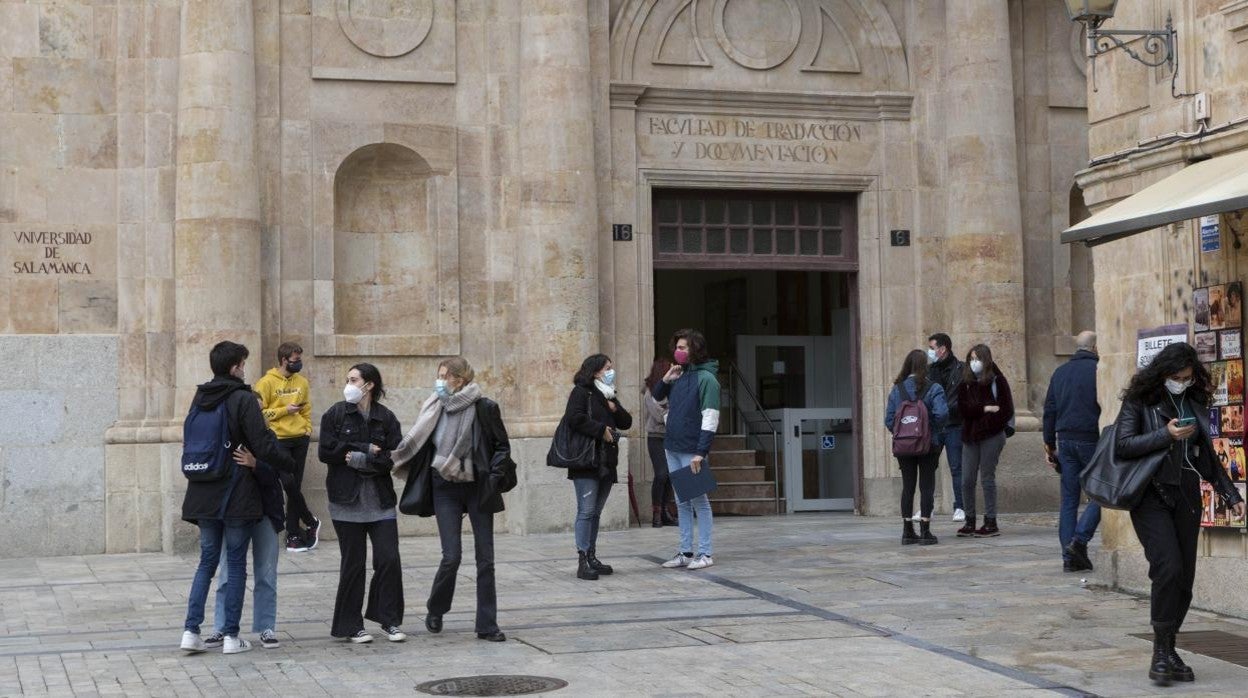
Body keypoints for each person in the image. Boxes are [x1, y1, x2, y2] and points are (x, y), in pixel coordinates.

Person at [1113, 342, 1244, 684]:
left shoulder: (1194, 401)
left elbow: (1206, 458)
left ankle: (1169, 648)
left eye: (1187, 377)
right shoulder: (1140, 400)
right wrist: (1165, 435)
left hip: (1186, 496)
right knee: (1167, 567)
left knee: (1184, 581)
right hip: (1151, 495)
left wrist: (1230, 495)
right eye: (1176, 377)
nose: (1181, 382)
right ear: (1162, 373)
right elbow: (1123, 445)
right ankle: (1159, 652)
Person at [180, 341, 294, 655]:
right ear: (235, 367)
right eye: (243, 363)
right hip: (235, 492)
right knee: (236, 564)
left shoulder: (200, 396)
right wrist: (289, 462)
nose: (244, 369)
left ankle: (191, 631)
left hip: (202, 490)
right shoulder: (242, 397)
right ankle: (231, 636)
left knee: (206, 564)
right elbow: (263, 443)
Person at [390, 357, 513, 643]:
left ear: (460, 379)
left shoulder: (484, 407)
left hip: (477, 485)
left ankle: (487, 624)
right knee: (451, 556)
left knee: (486, 559)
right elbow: (420, 443)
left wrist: (493, 478)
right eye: (439, 375)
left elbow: (501, 447)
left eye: (445, 376)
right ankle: (436, 607)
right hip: (443, 485)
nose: (440, 381)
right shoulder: (434, 406)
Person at [318, 363, 405, 644]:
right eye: (347, 379)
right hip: (346, 501)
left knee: (389, 559)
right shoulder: (335, 414)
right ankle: (350, 625)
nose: (349, 385)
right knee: (353, 564)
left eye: (354, 380)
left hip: (380, 501)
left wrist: (359, 460)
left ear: (369, 385)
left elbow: (393, 457)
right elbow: (325, 452)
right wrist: (364, 449)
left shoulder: (386, 418)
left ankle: (388, 620)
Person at [201, 396, 288, 651]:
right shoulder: (228, 440)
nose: (256, 415)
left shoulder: (270, 439)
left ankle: (266, 627)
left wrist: (255, 464)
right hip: (236, 515)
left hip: (265, 512)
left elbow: (280, 475)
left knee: (266, 572)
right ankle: (222, 626)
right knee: (227, 573)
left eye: (259, 410)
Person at [563, 353, 633, 581]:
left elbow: (626, 422)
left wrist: (615, 410)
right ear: (594, 371)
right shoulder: (581, 392)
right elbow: (574, 418)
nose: (611, 371)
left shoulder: (608, 393)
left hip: (606, 461)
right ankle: (582, 559)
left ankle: (592, 555)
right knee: (586, 510)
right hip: (587, 459)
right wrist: (600, 429)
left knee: (596, 512)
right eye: (607, 368)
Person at [655, 329, 721, 571]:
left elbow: (710, 418)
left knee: (699, 501)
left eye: (684, 348)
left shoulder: (707, 379)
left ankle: (705, 552)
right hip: (672, 445)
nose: (678, 351)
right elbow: (657, 397)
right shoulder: (680, 375)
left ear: (695, 350)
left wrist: (700, 452)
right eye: (677, 347)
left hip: (691, 448)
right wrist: (666, 378)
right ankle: (685, 551)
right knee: (682, 500)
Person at [1042, 331, 1103, 573]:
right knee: (1102, 492)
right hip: (1091, 439)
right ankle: (1079, 540)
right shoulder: (1098, 370)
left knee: (1069, 500)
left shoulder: (1060, 373)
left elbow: (1049, 410)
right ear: (1095, 347)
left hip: (1065, 441)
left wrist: (1049, 444)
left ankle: (1069, 557)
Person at [254, 342, 319, 553]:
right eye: (295, 360)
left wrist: (307, 428)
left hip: (300, 438)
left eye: (300, 359)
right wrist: (284, 410)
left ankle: (293, 534)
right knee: (288, 484)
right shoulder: (266, 383)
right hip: (278, 440)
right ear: (284, 360)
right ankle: (310, 520)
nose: (298, 363)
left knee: (295, 486)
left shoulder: (302, 382)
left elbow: (307, 409)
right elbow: (259, 414)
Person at [884, 349, 948, 545]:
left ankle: (907, 531)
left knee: (908, 486)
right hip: (928, 445)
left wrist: (903, 435)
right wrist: (930, 431)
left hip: (904, 446)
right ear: (924, 366)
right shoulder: (934, 388)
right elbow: (942, 414)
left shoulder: (897, 389)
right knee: (926, 486)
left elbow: (889, 420)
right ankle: (925, 531)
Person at [956, 344, 1014, 538]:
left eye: (977, 359)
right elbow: (963, 410)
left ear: (986, 360)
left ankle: (991, 521)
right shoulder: (965, 382)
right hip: (970, 436)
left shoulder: (998, 381)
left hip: (991, 435)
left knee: (987, 478)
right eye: (971, 359)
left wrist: (986, 418)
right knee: (966, 480)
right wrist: (985, 409)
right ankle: (970, 520)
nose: (974, 363)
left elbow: (1005, 410)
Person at [928, 333, 966, 522]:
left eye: (932, 348)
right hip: (935, 426)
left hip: (954, 425)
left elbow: (964, 398)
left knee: (956, 466)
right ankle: (927, 507)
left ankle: (960, 506)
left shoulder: (960, 369)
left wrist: (946, 410)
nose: (930, 352)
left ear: (942, 349)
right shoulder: (929, 371)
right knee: (928, 466)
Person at [643, 357, 677, 528]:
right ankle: (656, 512)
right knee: (661, 474)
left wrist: (670, 413)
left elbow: (676, 410)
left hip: (671, 437)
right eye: (670, 369)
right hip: (656, 437)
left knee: (671, 475)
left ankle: (666, 511)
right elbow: (658, 415)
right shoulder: (650, 391)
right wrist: (672, 414)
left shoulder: (673, 389)